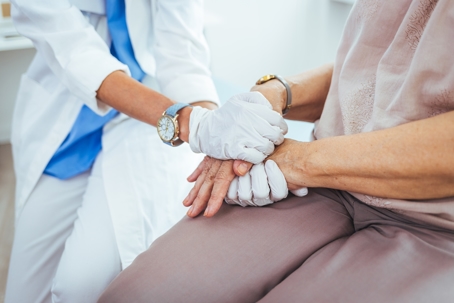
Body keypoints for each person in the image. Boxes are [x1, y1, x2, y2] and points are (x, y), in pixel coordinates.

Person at [98, 1, 454, 302]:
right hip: (322, 186)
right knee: (135, 294)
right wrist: (274, 94)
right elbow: (380, 66)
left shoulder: (296, 163)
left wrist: (294, 160)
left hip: (434, 222)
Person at [4, 0, 288, 302]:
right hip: (80, 119)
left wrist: (217, 131)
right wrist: (191, 122)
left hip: (144, 120)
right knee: (25, 290)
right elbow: (74, 51)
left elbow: (182, 51)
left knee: (81, 282)